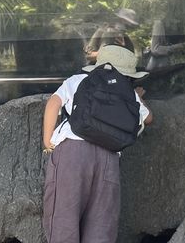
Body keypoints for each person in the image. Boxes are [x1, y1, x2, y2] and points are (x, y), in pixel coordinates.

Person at [41, 44, 152, 243]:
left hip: (72, 153)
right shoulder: (128, 93)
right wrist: (138, 98)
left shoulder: (80, 80)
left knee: (63, 221)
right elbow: (149, 118)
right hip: (108, 158)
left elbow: (53, 103)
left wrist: (48, 140)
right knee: (101, 226)